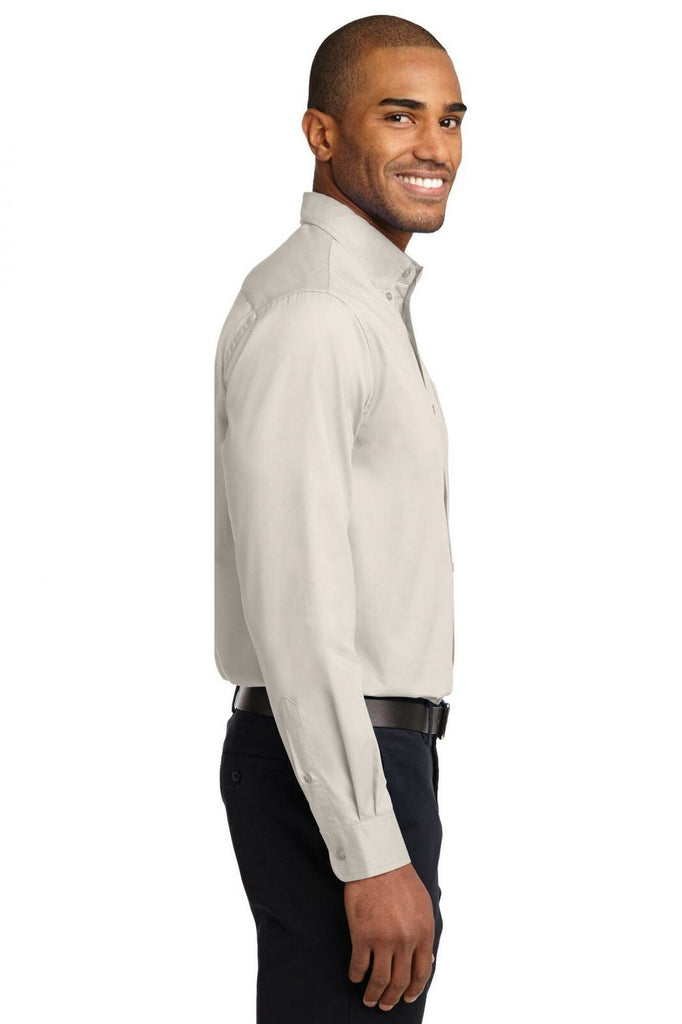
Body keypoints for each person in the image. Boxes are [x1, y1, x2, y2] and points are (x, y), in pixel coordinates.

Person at [214, 14, 466, 1022]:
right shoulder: (318, 316)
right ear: (321, 133)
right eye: (398, 116)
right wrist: (369, 848)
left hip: (356, 753)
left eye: (450, 120)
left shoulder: (359, 304)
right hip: (335, 757)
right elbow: (296, 604)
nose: (433, 146)